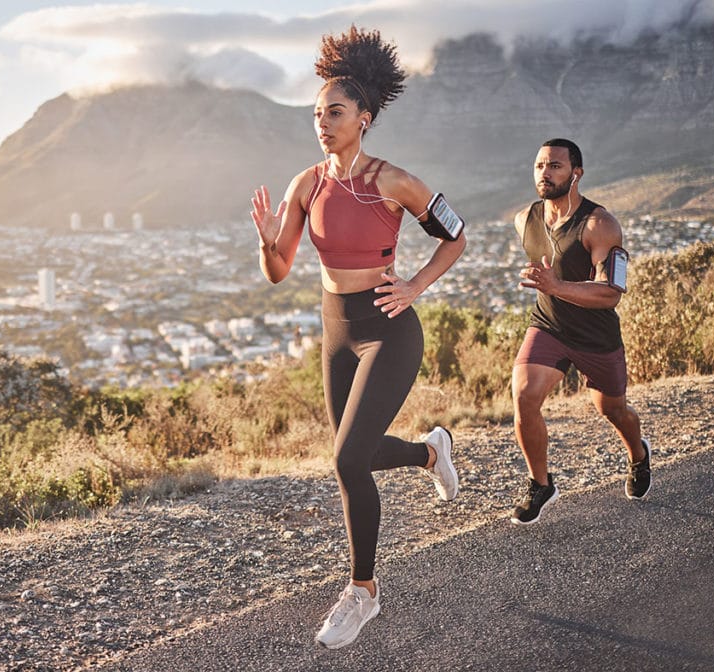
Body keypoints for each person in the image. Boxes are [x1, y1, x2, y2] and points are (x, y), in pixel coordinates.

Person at [250, 26, 467, 650]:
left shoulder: (393, 181)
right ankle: (431, 452)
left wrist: (417, 286)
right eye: (316, 113)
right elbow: (279, 270)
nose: (322, 122)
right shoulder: (304, 184)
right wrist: (267, 239)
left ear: (364, 118)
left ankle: (363, 592)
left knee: (346, 459)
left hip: (389, 329)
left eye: (335, 112)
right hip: (336, 331)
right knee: (360, 453)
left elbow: (455, 236)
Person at [510, 138, 651, 526]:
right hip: (550, 325)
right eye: (540, 165)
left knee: (612, 410)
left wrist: (556, 287)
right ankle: (541, 484)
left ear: (577, 173)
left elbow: (611, 294)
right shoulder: (525, 219)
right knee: (523, 395)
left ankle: (638, 454)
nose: (545, 173)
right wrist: (547, 288)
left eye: (555, 166)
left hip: (596, 336)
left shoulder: (600, 224)